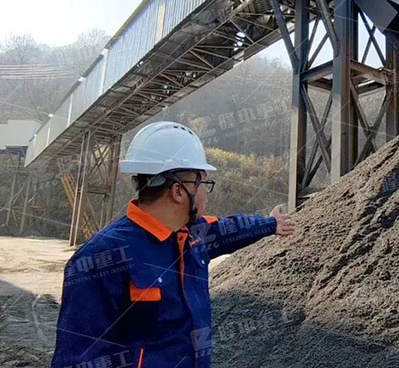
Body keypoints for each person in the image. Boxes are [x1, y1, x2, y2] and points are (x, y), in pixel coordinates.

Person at [51, 121, 295, 368]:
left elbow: (232, 228)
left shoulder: (194, 235)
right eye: (202, 184)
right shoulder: (101, 256)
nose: (206, 194)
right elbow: (78, 358)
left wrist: (270, 223)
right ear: (179, 191)